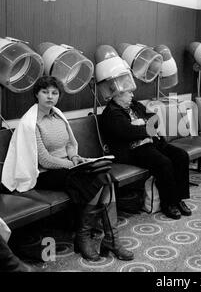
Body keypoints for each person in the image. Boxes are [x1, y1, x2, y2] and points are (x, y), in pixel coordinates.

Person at [1, 76, 134, 262]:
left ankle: (112, 240)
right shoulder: (30, 122)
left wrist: (74, 157)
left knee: (106, 178)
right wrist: (72, 164)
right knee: (97, 180)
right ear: (36, 94)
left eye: (54, 93)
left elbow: (70, 144)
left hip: (68, 166)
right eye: (45, 92)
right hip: (45, 174)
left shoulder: (58, 115)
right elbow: (45, 160)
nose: (50, 96)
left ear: (58, 96)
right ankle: (84, 236)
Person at [100, 89, 192, 220]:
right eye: (129, 93)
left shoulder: (135, 105)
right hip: (132, 150)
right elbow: (128, 132)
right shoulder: (111, 113)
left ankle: (179, 199)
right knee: (163, 163)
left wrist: (141, 124)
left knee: (181, 155)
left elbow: (155, 119)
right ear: (118, 95)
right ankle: (168, 203)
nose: (132, 95)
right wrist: (145, 127)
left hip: (151, 142)